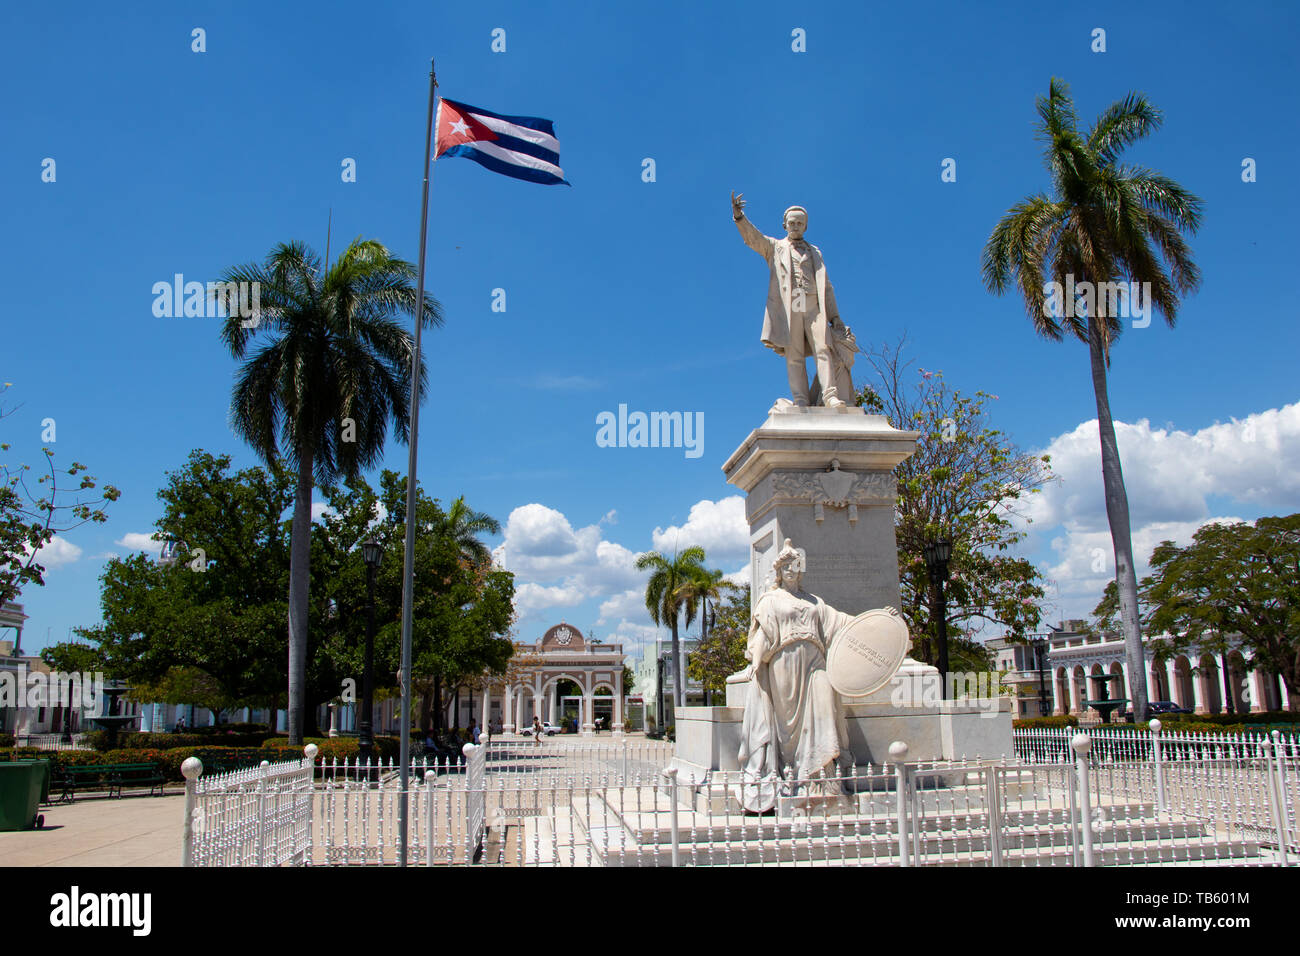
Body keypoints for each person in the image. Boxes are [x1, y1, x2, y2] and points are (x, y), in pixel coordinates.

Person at [736, 538, 855, 813]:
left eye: (795, 565)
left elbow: (841, 623)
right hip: (784, 663)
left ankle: (823, 778)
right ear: (779, 571)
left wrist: (876, 623)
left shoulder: (814, 602)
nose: (791, 570)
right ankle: (795, 775)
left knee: (825, 705)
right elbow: (764, 635)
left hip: (816, 662)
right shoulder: (770, 600)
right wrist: (755, 663)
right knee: (788, 727)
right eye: (786, 566)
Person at [731, 193, 858, 409]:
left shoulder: (815, 252)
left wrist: (835, 316)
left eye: (800, 223)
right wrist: (739, 217)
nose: (796, 226)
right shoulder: (775, 247)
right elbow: (754, 239)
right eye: (792, 223)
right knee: (795, 355)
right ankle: (800, 399)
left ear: (806, 227)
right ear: (784, 224)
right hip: (790, 306)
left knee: (824, 348)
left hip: (813, 306)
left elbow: (826, 287)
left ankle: (830, 396)